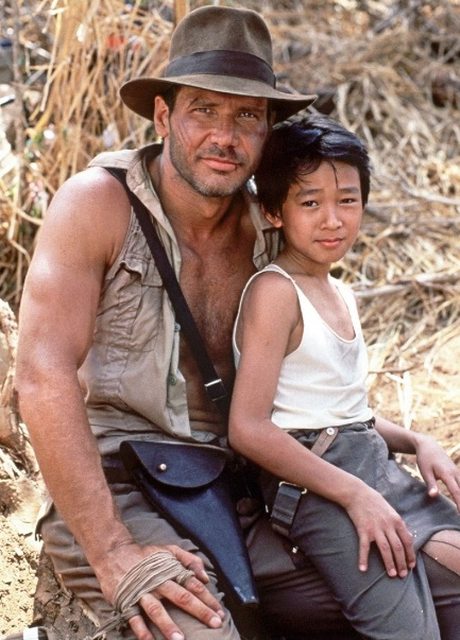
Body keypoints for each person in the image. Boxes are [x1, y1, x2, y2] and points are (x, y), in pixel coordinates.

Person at [13, 6, 361, 640]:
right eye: (204, 110)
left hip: (241, 485)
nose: (225, 136)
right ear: (163, 115)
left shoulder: (271, 226)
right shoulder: (98, 204)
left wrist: (393, 456)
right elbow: (41, 375)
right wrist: (112, 550)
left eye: (247, 116)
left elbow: (319, 369)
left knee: (419, 583)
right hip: (121, 483)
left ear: (268, 132)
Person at [229, 114, 460, 639]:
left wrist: (417, 442)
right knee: (409, 631)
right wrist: (354, 496)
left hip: (371, 463)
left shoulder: (340, 292)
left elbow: (345, 412)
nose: (332, 220)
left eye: (347, 200)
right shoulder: (276, 292)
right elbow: (248, 427)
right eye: (310, 203)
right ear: (273, 212)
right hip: (315, 482)